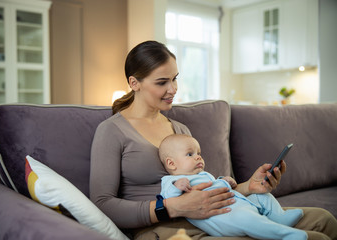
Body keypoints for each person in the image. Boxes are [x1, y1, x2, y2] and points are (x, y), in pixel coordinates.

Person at [89, 40, 337, 240]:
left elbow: (207, 188)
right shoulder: (112, 131)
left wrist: (248, 187)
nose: (173, 89)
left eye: (175, 78)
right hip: (169, 230)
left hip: (216, 215)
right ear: (134, 83)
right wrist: (175, 207)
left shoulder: (179, 129)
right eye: (162, 82)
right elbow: (102, 204)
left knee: (323, 219)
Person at [159, 134, 307, 239]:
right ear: (171, 163)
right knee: (247, 218)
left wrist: (225, 180)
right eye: (190, 154)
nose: (198, 157)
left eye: (199, 153)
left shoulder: (203, 174)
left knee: (262, 196)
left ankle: (279, 217)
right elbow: (169, 198)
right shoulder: (171, 180)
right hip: (224, 217)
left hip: (238, 203)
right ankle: (286, 235)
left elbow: (215, 185)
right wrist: (178, 186)